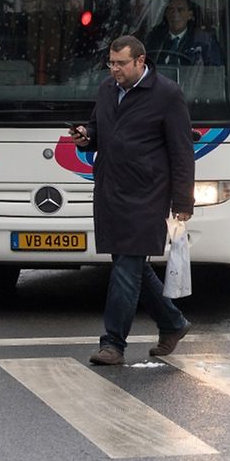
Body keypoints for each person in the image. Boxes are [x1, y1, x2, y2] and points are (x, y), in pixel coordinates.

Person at [70, 35, 194, 366]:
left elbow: (182, 152)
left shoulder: (167, 94)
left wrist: (183, 202)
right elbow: (98, 130)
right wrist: (86, 136)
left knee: (126, 266)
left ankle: (113, 344)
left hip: (147, 195)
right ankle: (173, 323)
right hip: (110, 190)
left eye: (121, 63)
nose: (115, 70)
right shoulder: (107, 90)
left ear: (140, 61)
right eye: (111, 63)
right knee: (132, 264)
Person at [149, 0, 223, 67]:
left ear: (190, 15)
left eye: (180, 10)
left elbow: (215, 70)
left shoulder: (204, 41)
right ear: (166, 14)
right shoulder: (154, 39)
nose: (175, 14)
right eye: (171, 9)